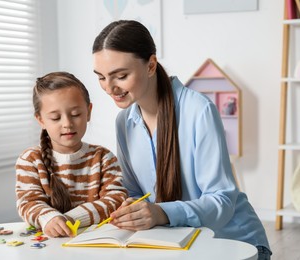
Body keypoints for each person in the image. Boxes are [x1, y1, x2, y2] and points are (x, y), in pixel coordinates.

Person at [92, 20, 271, 259]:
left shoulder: (199, 110)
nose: (109, 88)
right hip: (176, 242)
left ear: (151, 65)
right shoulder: (124, 122)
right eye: (101, 77)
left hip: (232, 243)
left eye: (120, 76)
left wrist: (159, 213)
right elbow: (133, 192)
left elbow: (222, 201)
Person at [15, 72, 128, 238]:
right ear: (40, 120)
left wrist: (70, 219)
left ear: (88, 112)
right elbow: (28, 203)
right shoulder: (30, 160)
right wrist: (50, 219)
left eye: (76, 114)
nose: (67, 123)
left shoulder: (103, 157)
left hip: (95, 242)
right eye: (55, 117)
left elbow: (116, 199)